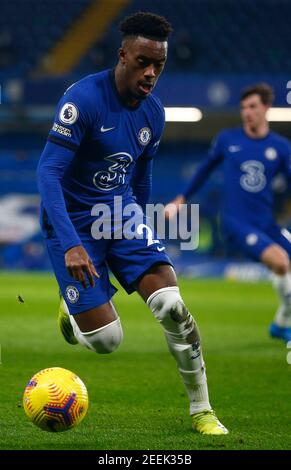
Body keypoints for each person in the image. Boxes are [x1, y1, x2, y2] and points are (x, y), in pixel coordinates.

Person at [37, 11, 227, 436]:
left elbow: (140, 177)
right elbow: (48, 173)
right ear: (123, 55)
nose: (151, 73)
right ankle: (72, 310)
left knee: (174, 308)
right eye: (143, 61)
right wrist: (71, 243)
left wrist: (143, 232)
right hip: (73, 223)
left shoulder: (153, 114)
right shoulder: (82, 101)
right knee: (107, 342)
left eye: (159, 64)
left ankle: (202, 410)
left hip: (121, 218)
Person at [165, 83, 291, 343]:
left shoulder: (280, 147)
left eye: (253, 106)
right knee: (280, 262)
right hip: (236, 223)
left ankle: (281, 323)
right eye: (244, 107)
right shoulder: (228, 139)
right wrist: (180, 199)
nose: (247, 112)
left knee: (285, 264)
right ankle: (285, 323)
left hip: (265, 223)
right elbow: (204, 170)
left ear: (266, 108)